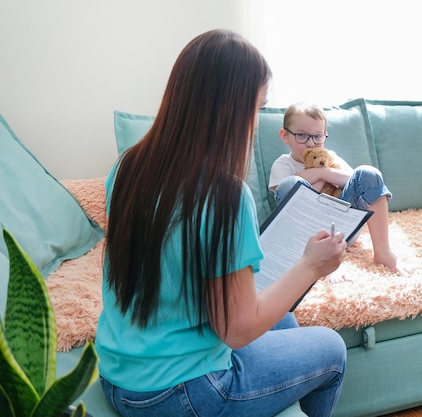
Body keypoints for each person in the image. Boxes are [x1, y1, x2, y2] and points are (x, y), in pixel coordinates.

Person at [95, 30, 348, 417]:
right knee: (332, 350)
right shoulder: (224, 196)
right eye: (257, 107)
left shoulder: (128, 166)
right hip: (179, 392)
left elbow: (168, 265)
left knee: (284, 320)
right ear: (232, 110)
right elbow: (237, 330)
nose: (257, 120)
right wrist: (310, 266)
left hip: (117, 374)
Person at [269, 102, 406, 274]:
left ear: (325, 135)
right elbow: (289, 194)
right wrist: (322, 175)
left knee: (368, 173)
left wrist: (322, 172)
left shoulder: (330, 157)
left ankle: (383, 251)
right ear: (285, 135)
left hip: (344, 228)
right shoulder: (283, 164)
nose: (311, 143)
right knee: (291, 184)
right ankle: (320, 260)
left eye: (318, 136)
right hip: (307, 235)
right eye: (302, 135)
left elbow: (353, 179)